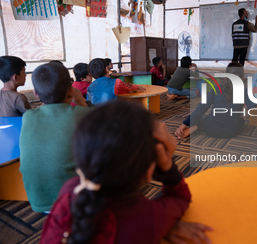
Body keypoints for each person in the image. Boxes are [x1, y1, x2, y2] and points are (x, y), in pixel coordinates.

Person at [40, 100, 213, 244]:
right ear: (149, 172)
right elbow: (180, 198)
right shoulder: (146, 218)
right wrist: (168, 168)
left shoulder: (70, 189)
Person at [19, 62, 92, 212]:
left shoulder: (28, 116)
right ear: (70, 91)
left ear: (36, 94)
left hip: (38, 199)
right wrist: (79, 100)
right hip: (72, 200)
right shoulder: (81, 114)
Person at [175, 63, 253, 139]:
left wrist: (184, 124)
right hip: (231, 132)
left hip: (210, 129)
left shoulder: (217, 88)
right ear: (243, 77)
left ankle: (196, 127)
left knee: (203, 117)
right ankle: (199, 127)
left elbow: (201, 108)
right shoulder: (245, 90)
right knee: (241, 121)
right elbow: (252, 108)